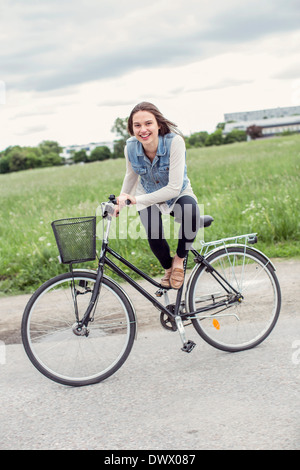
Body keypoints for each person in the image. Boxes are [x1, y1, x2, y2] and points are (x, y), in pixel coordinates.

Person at [116, 102, 200, 289]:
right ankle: (168, 269)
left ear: (158, 125)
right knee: (154, 232)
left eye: (148, 123)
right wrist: (120, 202)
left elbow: (174, 188)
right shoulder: (130, 147)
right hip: (146, 192)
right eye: (137, 125)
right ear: (131, 129)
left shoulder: (174, 142)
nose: (143, 130)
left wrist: (136, 200)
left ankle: (179, 260)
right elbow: (131, 175)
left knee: (191, 213)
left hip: (177, 192)